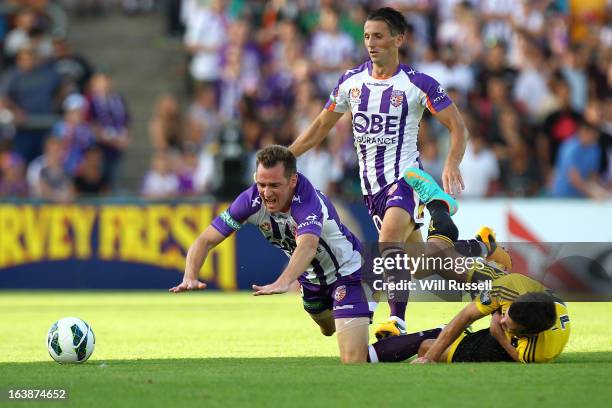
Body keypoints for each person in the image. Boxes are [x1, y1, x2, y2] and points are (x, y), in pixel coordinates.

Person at [289, 7, 469, 337]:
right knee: (422, 262)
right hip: (371, 190)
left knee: (387, 243)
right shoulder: (350, 82)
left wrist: (451, 161)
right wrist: (288, 156)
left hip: (407, 179)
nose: (371, 43)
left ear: (398, 39)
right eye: (367, 37)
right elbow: (319, 128)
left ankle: (396, 320)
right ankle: (488, 276)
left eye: (379, 36)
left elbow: (458, 127)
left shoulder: (418, 83)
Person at [170, 145, 372, 363]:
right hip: (312, 280)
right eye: (261, 184)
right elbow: (205, 240)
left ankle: (408, 336)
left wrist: (284, 281)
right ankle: (361, 317)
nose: (266, 192)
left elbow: (307, 246)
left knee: (353, 358)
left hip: (348, 271)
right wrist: (190, 275)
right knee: (327, 329)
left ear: (292, 181)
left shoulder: (307, 202)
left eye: (274, 185)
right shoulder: (250, 201)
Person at [368, 272, 570, 364]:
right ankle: (482, 246)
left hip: (501, 345)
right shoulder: (512, 286)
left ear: (527, 334)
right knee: (438, 262)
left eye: (511, 328)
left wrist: (499, 335)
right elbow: (466, 315)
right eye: (505, 315)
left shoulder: (539, 351)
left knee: (426, 347)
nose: (501, 322)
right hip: (508, 284)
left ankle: (442, 332)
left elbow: (519, 357)